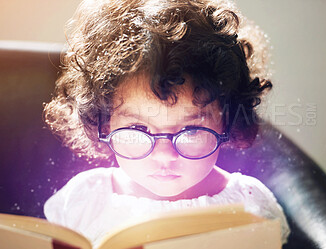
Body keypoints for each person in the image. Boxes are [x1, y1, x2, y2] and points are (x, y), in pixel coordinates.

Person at [43, 0, 290, 247]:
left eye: (190, 130)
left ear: (227, 123)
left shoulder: (250, 205)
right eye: (138, 129)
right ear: (104, 123)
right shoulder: (83, 200)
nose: (164, 156)